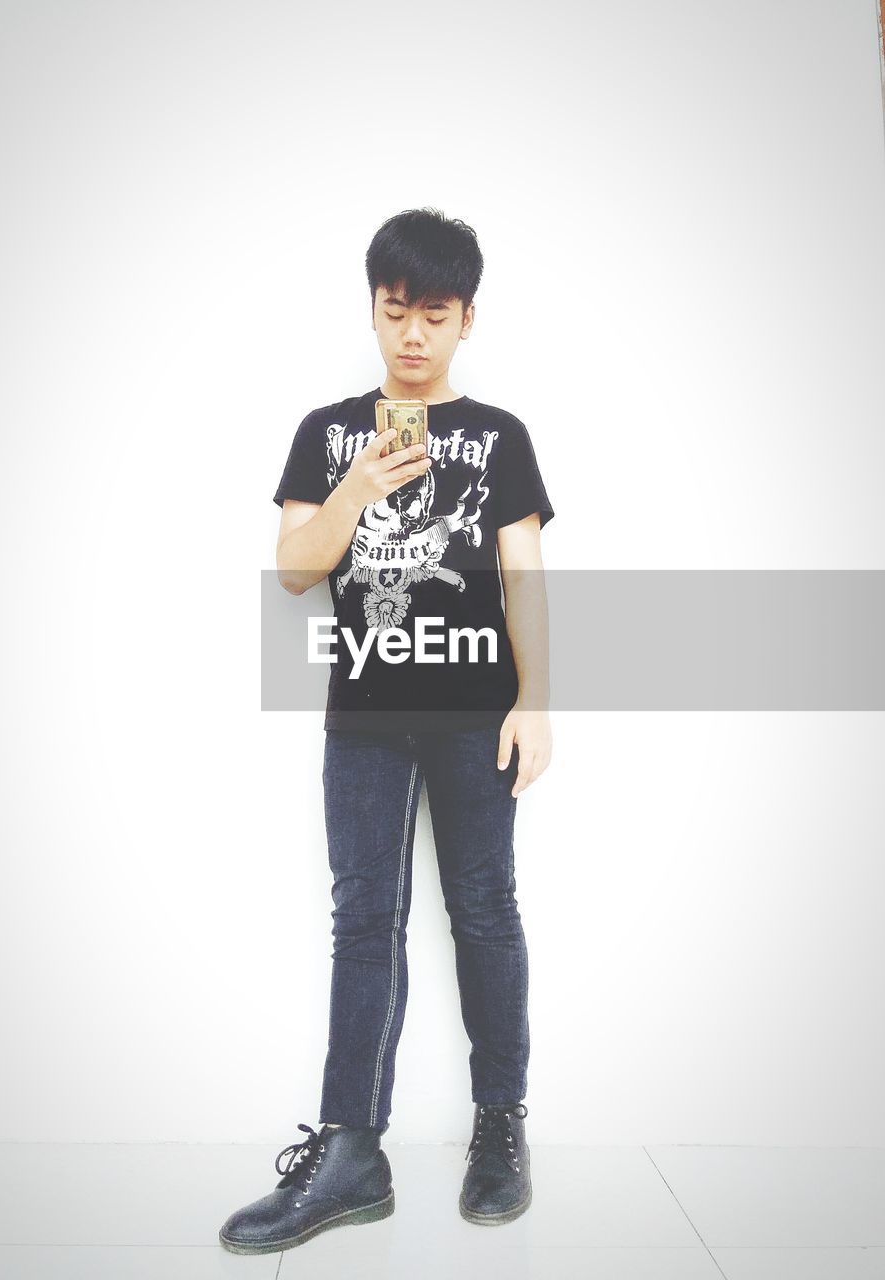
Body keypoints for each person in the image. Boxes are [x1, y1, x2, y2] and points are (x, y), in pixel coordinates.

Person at [220, 207, 555, 1255]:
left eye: (435, 313)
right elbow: (294, 565)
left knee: (484, 910)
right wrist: (360, 482)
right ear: (372, 308)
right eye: (395, 309)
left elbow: (522, 572)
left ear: (467, 320)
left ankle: (501, 1125)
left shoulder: (500, 433)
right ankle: (353, 1148)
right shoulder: (326, 429)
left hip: (473, 712)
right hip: (364, 716)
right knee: (364, 920)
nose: (413, 333)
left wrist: (536, 697)